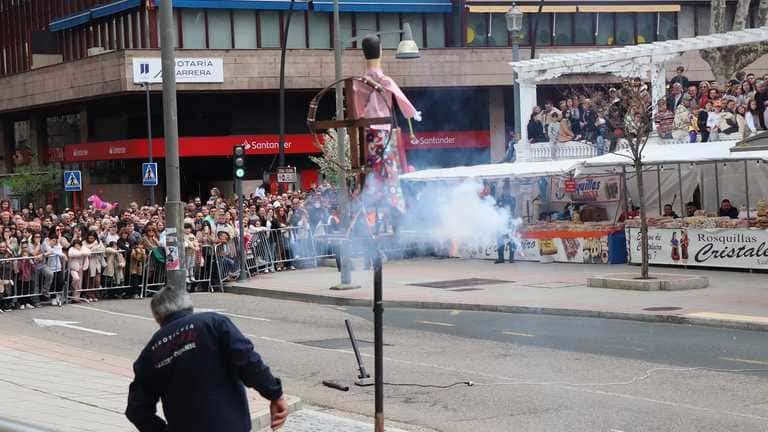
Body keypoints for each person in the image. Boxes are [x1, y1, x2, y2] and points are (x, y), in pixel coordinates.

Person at [126, 287, 288, 432]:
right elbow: (248, 361)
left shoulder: (150, 352)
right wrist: (275, 394)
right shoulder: (213, 323)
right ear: (190, 306)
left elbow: (136, 409)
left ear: (157, 317)